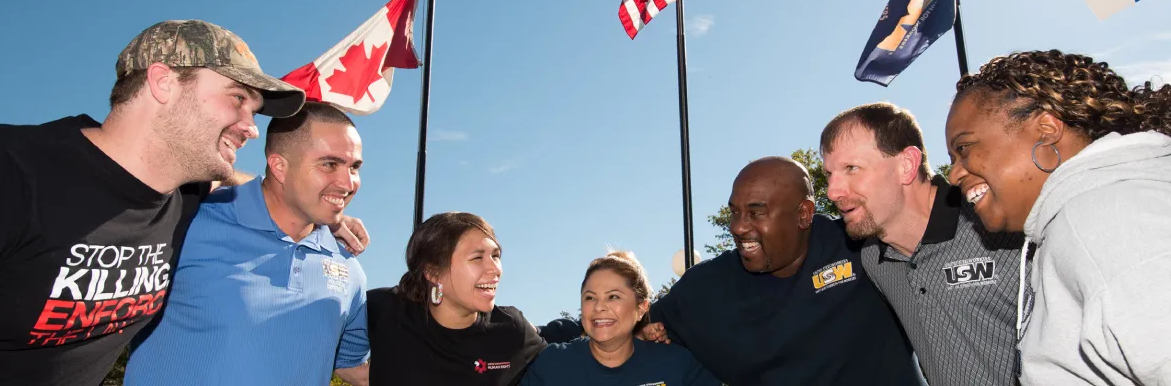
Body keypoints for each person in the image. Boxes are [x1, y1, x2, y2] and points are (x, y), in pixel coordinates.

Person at [0, 19, 310, 386]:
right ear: (163, 82)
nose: (252, 127)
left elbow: (240, 184)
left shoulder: (186, 195)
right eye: (238, 99)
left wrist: (310, 206)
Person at [945, 49, 1171, 385]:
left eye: (964, 148)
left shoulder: (1104, 216)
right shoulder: (1089, 213)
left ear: (1047, 128)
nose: (953, 174)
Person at [123, 102, 370, 385]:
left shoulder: (349, 269)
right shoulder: (188, 222)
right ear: (279, 166)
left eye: (354, 167)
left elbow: (352, 368)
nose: (347, 182)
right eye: (330, 164)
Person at [640, 157, 920, 385]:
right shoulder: (705, 288)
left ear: (804, 214)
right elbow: (628, 329)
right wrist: (649, 333)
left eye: (756, 212)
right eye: (734, 212)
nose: (738, 227)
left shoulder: (861, 246)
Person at [819, 102, 1026, 385]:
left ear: (906, 165)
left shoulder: (998, 223)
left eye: (852, 168)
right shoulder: (873, 258)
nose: (833, 191)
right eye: (829, 175)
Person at [366, 212, 576, 385]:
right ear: (432, 272)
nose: (495, 269)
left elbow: (561, 344)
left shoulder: (512, 329)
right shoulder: (384, 309)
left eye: (495, 256)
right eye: (477, 257)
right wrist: (334, 226)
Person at [520, 251, 720, 386]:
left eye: (613, 296)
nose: (599, 307)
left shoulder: (678, 364)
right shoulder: (550, 365)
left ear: (641, 308)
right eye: (590, 297)